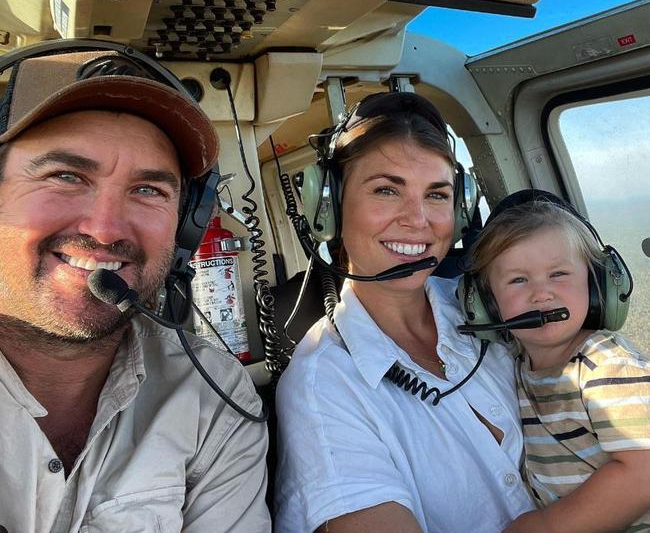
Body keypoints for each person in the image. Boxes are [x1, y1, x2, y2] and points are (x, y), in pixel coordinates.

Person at [0, 46, 271, 532]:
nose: (105, 230)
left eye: (148, 190)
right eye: (65, 176)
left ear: (186, 227)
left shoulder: (212, 397)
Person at [274, 91, 535, 532]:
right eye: (386, 190)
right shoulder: (323, 385)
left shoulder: (495, 305)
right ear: (330, 209)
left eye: (437, 195)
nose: (419, 220)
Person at [467, 190, 650, 532]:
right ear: (486, 305)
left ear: (596, 287)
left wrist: (543, 526)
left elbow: (644, 471)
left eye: (559, 274)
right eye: (518, 280)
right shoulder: (517, 369)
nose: (541, 293)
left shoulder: (608, 365)